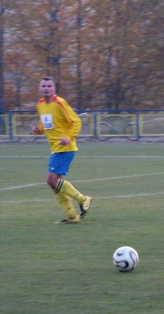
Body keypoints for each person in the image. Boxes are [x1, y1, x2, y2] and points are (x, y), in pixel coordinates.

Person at [33, 77, 92, 224]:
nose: (46, 88)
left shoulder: (60, 103)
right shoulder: (40, 104)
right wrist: (38, 129)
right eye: (44, 86)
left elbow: (76, 121)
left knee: (51, 180)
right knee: (54, 181)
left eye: (49, 86)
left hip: (65, 147)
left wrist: (68, 136)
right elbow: (45, 121)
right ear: (39, 89)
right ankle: (71, 215)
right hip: (55, 148)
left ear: (54, 89)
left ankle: (83, 199)